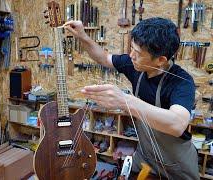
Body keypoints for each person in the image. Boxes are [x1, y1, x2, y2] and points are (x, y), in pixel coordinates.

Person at [64, 17, 199, 180]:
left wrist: (125, 100)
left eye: (138, 53)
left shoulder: (181, 81)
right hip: (146, 158)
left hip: (176, 166)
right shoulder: (136, 65)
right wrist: (82, 36)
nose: (131, 56)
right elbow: (103, 57)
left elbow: (177, 124)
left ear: (161, 60)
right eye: (131, 49)